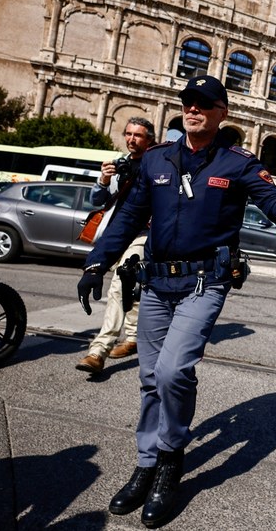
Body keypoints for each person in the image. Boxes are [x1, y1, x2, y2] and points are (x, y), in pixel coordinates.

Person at [74, 74, 276, 528]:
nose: (194, 109)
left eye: (205, 104)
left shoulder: (237, 164)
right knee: (151, 377)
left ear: (221, 112)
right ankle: (145, 463)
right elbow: (129, 216)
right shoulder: (156, 159)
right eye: (189, 103)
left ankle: (170, 461)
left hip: (202, 283)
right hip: (155, 283)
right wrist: (98, 263)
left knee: (174, 371)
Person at [77, 117, 157, 374]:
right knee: (130, 287)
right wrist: (102, 179)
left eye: (139, 135)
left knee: (119, 284)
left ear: (150, 140)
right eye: (129, 134)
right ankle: (133, 337)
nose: (132, 139)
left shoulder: (156, 165)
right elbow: (98, 200)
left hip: (144, 233)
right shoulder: (119, 165)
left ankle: (98, 350)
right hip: (117, 232)